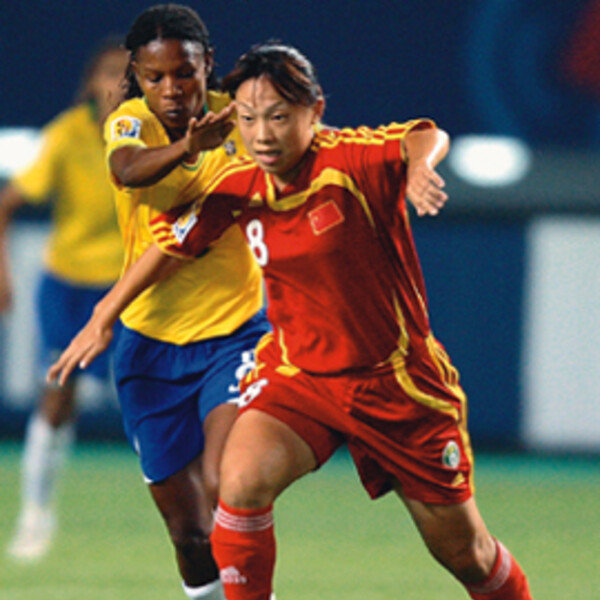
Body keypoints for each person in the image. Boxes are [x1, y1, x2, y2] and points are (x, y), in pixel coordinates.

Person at [49, 43, 534, 600]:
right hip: (300, 378)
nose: (262, 135)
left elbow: (424, 134)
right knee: (239, 485)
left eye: (278, 117)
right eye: (248, 118)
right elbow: (168, 247)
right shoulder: (240, 185)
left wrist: (421, 166)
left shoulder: (349, 161)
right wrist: (104, 314)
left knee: (467, 555)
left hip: (395, 385)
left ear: (315, 111)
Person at [70, 6, 268, 600]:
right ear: (136, 74)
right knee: (189, 533)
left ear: (207, 65)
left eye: (184, 73)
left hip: (234, 334)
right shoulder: (129, 122)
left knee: (227, 482)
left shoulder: (245, 118)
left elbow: (309, 149)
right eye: (155, 77)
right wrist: (188, 148)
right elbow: (128, 171)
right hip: (148, 347)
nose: (171, 89)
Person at [0, 36, 128, 561]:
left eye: (128, 74)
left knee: (159, 399)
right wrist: (2, 274)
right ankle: (35, 514)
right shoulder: (66, 135)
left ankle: (201, 517)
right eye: (109, 72)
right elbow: (6, 203)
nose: (118, 83)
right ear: (92, 83)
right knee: (57, 397)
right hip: (70, 286)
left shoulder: (156, 138)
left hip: (129, 290)